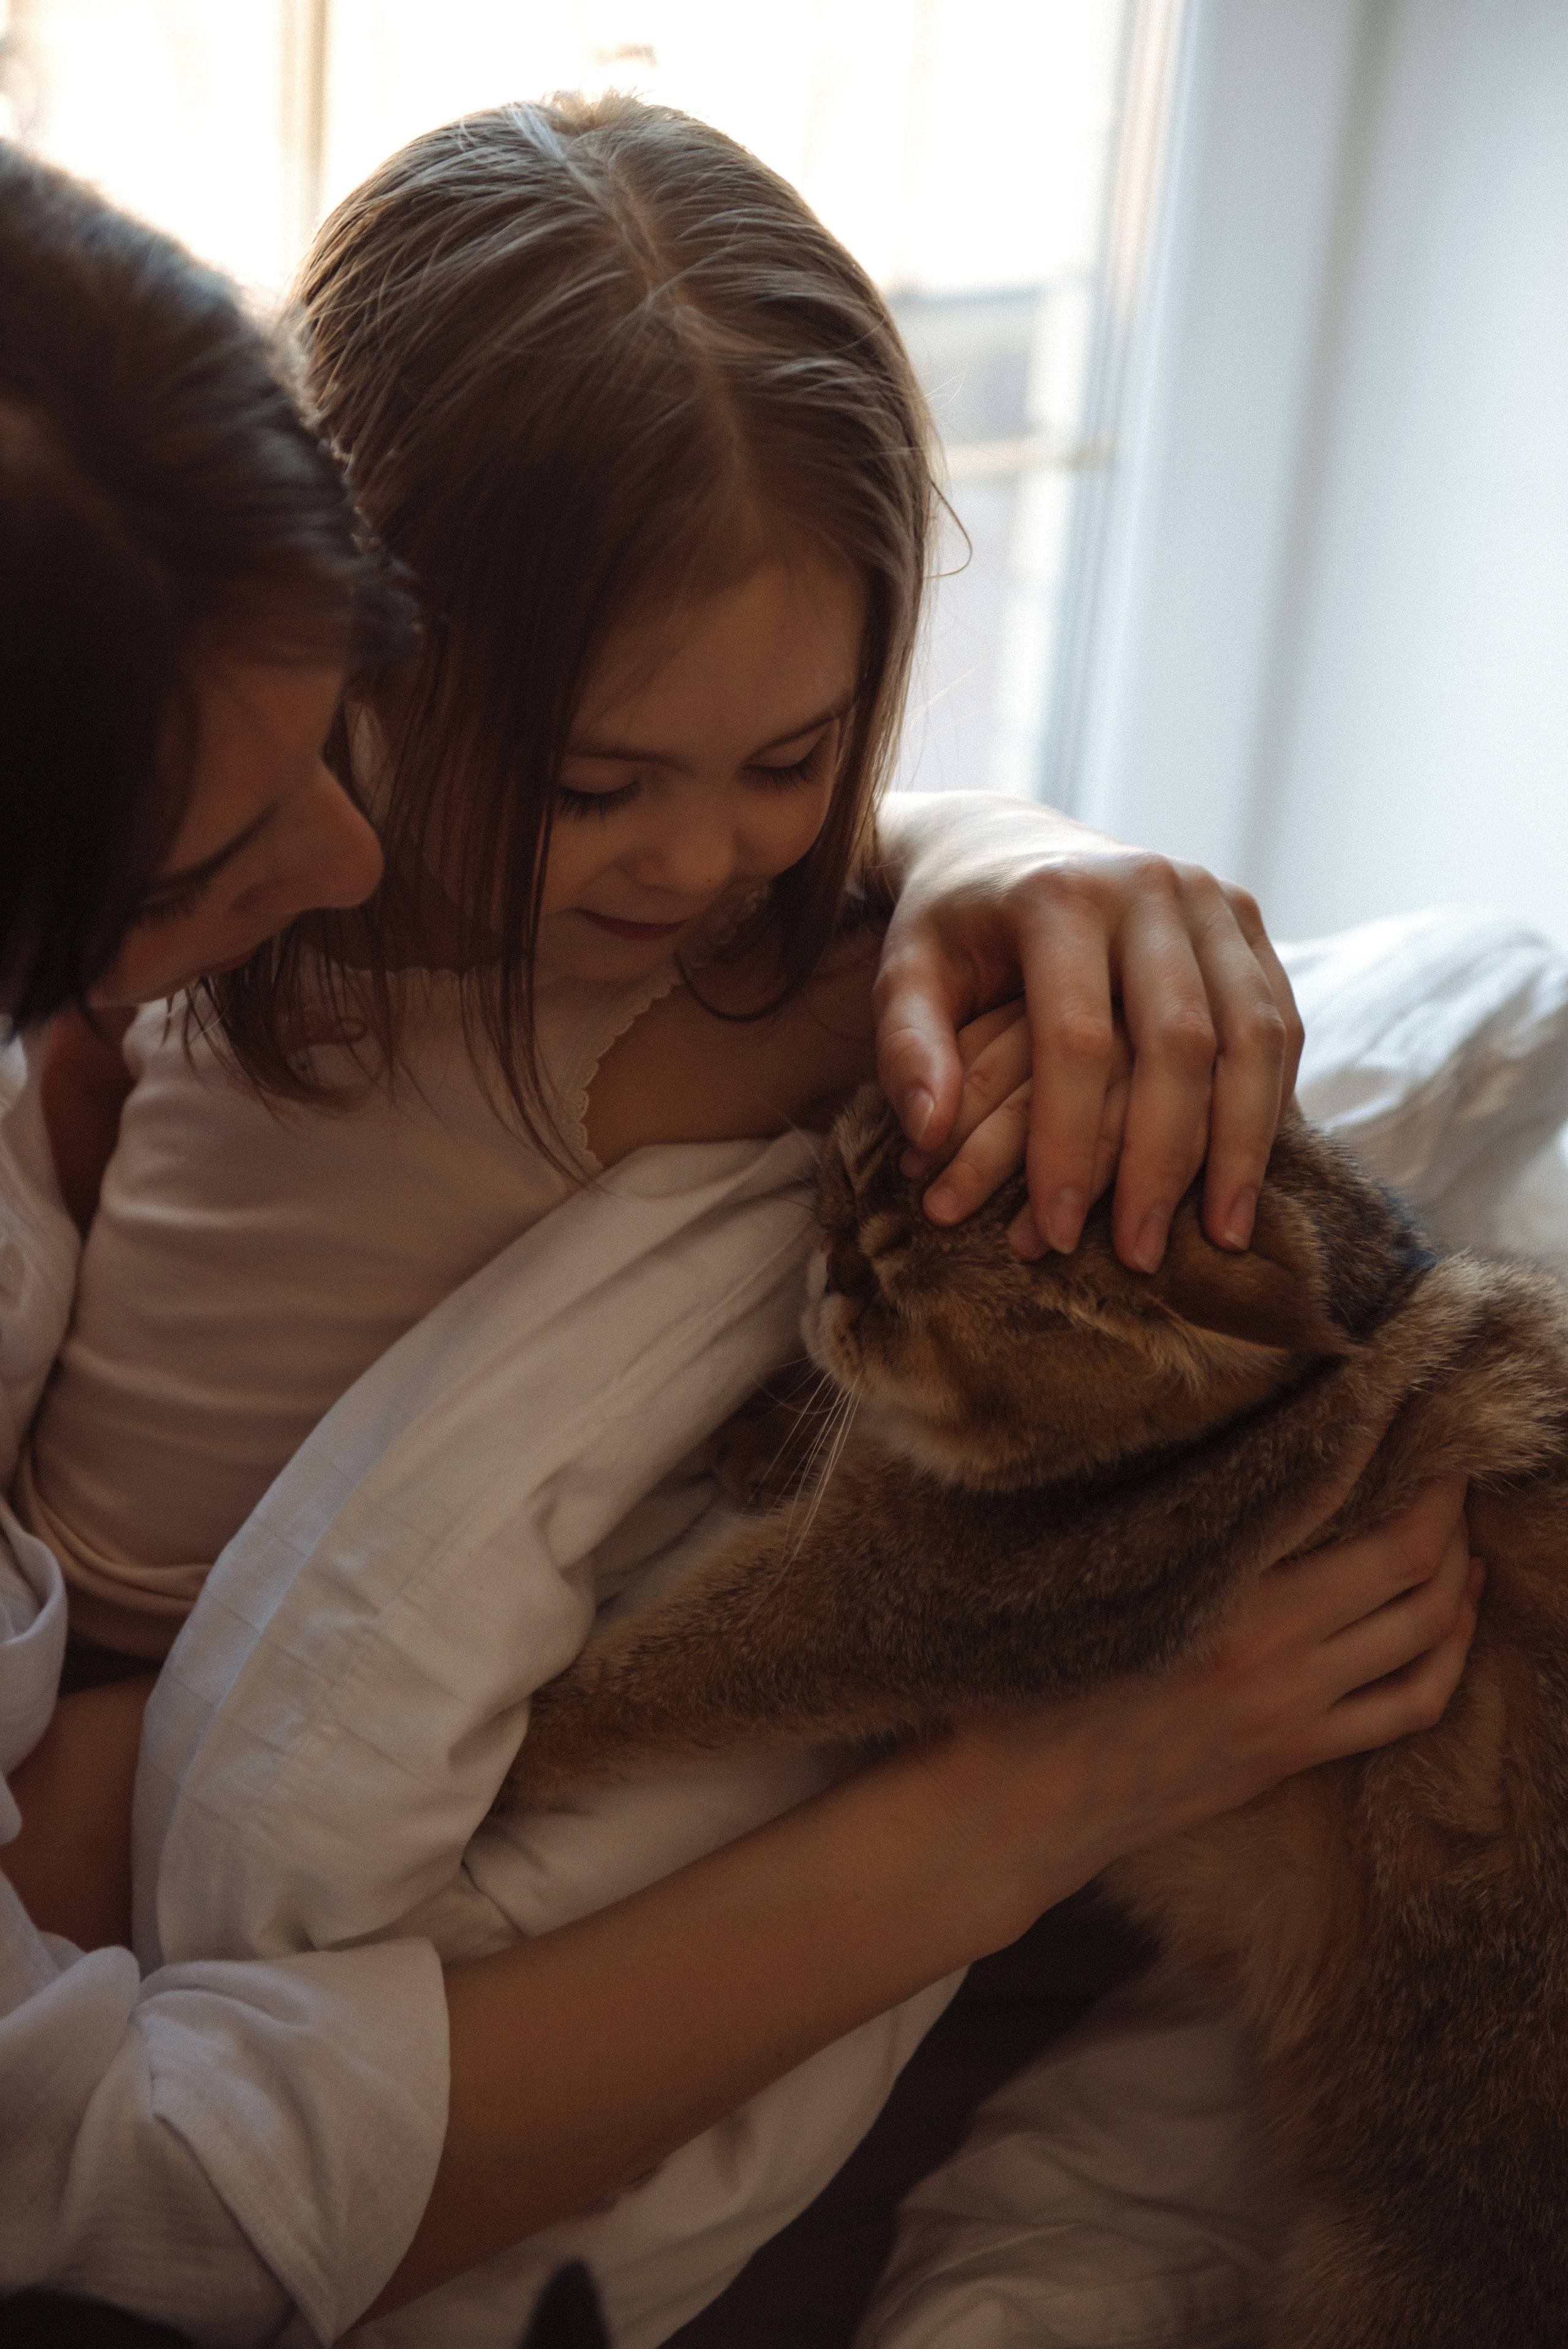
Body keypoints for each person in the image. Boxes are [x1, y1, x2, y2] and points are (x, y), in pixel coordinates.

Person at [0, 131, 1479, 2343]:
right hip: (219, 1777)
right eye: (599, 788)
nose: (331, 848)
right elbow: (149, 2165)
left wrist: (1011, 848)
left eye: (788, 761)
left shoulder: (354, 933)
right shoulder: (364, 998)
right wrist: (1037, 1797)